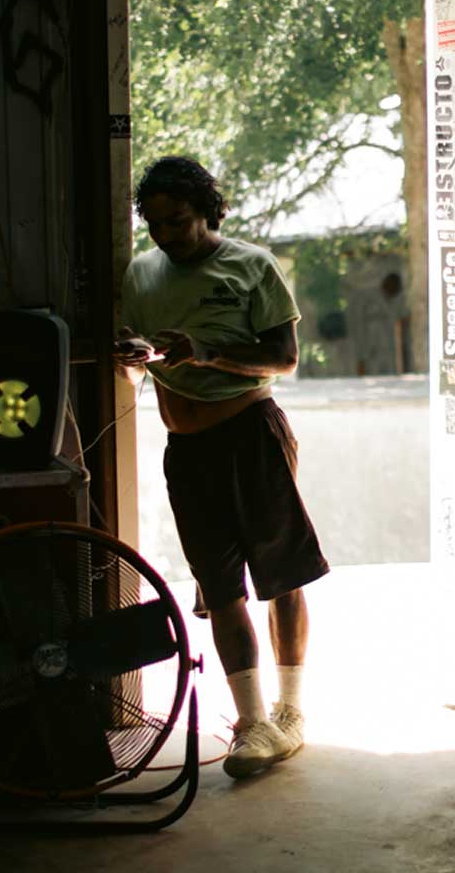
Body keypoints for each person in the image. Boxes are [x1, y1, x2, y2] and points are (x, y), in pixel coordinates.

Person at [114, 156, 329, 779]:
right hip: (187, 449)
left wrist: (207, 354)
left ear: (207, 210)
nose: (166, 235)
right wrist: (131, 358)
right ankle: (251, 721)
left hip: (250, 435)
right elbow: (133, 373)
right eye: (154, 225)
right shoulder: (141, 274)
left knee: (281, 575)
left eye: (177, 221)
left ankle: (291, 711)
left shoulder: (251, 265)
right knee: (220, 587)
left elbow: (284, 359)